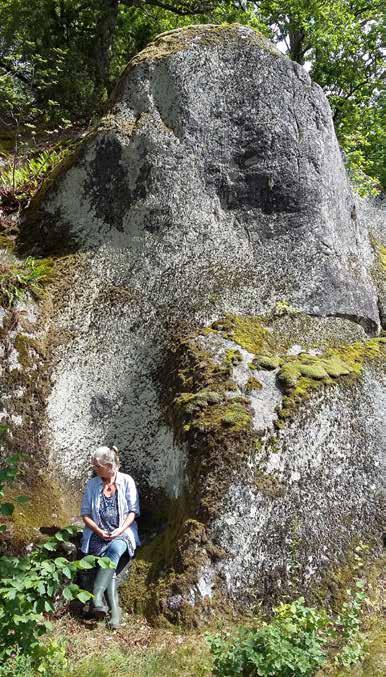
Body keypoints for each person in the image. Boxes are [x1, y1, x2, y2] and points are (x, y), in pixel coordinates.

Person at [80, 446, 140, 628]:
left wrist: (120, 529)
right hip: (98, 533)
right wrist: (98, 531)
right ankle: (115, 613)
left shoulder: (126, 481)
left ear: (109, 465)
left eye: (97, 466)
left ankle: (96, 598)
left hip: (123, 531)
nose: (94, 469)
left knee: (114, 549)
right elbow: (85, 514)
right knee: (106, 562)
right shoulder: (92, 484)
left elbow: (133, 511)